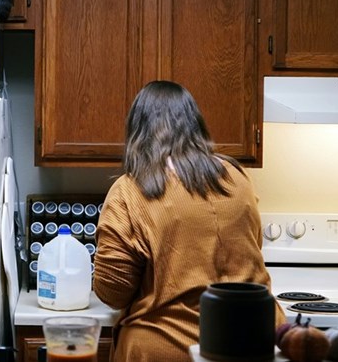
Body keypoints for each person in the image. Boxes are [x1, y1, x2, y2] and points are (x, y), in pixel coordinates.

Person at [92, 80, 285, 362]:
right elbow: (250, 247)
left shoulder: (130, 189)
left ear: (137, 131)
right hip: (253, 341)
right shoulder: (238, 177)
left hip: (168, 346)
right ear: (195, 124)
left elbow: (113, 292)